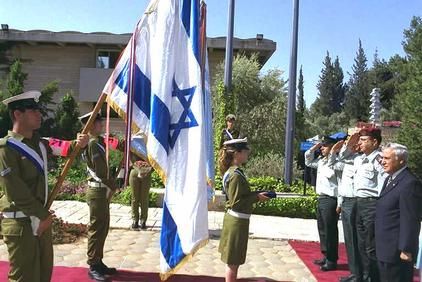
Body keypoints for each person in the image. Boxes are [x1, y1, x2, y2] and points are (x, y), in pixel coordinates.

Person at [0, 90, 88, 282]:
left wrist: (78, 143)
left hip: (42, 220)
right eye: (33, 110)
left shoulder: (40, 143)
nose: (40, 114)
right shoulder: (6, 148)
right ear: (17, 114)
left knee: (43, 275)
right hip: (21, 222)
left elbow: (66, 147)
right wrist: (43, 215)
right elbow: (14, 190)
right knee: (24, 277)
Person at [218, 138, 269, 282]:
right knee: (233, 261)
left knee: (233, 260)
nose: (247, 154)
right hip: (237, 221)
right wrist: (257, 198)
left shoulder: (233, 172)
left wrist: (256, 194)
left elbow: (239, 196)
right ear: (237, 153)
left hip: (236, 220)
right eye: (245, 151)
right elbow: (237, 202)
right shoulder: (235, 175)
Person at [80, 111, 122, 281]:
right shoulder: (92, 143)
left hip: (101, 190)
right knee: (97, 228)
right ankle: (93, 264)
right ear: (90, 125)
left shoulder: (98, 142)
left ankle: (99, 261)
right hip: (98, 190)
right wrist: (113, 185)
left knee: (103, 227)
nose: (101, 125)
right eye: (98, 123)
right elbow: (100, 171)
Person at [375, 143, 422, 282]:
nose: (382, 161)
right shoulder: (391, 178)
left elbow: (410, 218)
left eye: (387, 158)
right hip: (385, 247)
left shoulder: (409, 183)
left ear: (401, 160)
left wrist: (406, 249)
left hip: (396, 251)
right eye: (382, 158)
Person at [348, 127, 386, 282]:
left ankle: (372, 277)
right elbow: (344, 154)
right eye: (360, 140)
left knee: (371, 246)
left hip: (372, 204)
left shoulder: (379, 160)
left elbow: (384, 186)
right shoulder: (359, 159)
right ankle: (364, 275)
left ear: (375, 142)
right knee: (360, 243)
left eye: (364, 140)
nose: (360, 143)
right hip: (358, 202)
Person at [305, 135, 342, 271]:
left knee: (330, 230)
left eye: (325, 146)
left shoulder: (336, 163)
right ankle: (326, 255)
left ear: (333, 147)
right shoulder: (321, 161)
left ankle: (332, 260)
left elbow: (341, 183)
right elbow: (308, 160)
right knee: (322, 229)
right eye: (321, 146)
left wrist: (340, 203)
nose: (322, 149)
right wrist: (315, 146)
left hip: (331, 199)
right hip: (321, 198)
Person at [129, 150, 152, 231]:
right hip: (134, 171)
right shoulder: (131, 141)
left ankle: (143, 221)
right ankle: (135, 220)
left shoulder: (148, 142)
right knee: (135, 198)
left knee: (144, 198)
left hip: (146, 171)